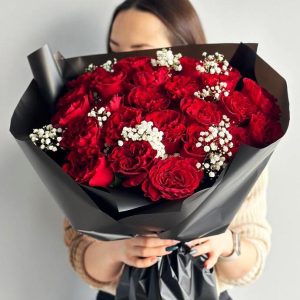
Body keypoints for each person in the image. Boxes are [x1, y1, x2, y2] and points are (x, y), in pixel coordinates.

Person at [63, 1, 271, 299]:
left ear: (183, 51)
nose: (123, 61)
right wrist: (118, 250)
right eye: (114, 48)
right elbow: (78, 250)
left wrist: (224, 244)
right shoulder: (88, 128)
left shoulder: (231, 130)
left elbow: (254, 253)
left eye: (139, 49)